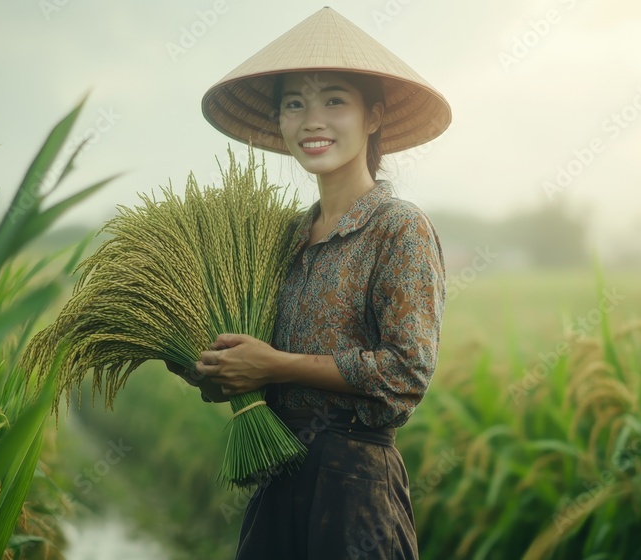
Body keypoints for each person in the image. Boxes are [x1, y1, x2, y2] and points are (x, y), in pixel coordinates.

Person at [167, 7, 451, 559]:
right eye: (294, 104)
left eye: (334, 100)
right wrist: (216, 369)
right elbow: (248, 362)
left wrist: (274, 363)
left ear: (373, 116)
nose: (311, 120)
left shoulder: (398, 228)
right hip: (277, 481)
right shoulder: (281, 240)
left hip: (355, 492)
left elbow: (406, 372)